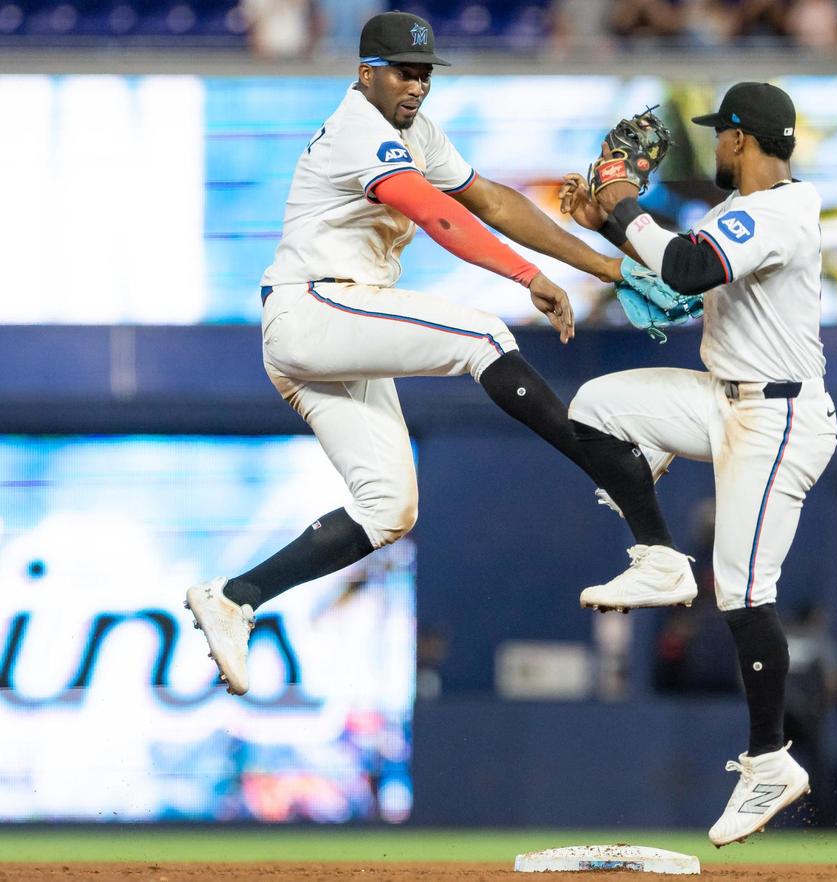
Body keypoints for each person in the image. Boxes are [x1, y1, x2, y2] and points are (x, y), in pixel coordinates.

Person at [185, 10, 625, 696]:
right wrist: (528, 276)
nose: (416, 85)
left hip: (335, 330)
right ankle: (601, 461)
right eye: (402, 71)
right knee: (483, 336)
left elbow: (491, 201)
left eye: (423, 72)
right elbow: (437, 214)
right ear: (366, 74)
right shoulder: (361, 129)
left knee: (390, 508)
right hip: (314, 307)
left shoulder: (412, 128)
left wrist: (597, 265)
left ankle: (236, 598)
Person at [560, 82, 837, 846]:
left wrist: (621, 199)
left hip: (779, 414)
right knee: (595, 407)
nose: (715, 145)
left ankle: (770, 760)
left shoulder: (775, 211)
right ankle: (656, 556)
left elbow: (684, 269)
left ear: (742, 139)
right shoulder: (740, 215)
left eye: (722, 133)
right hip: (728, 397)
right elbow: (680, 289)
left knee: (745, 591)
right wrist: (611, 227)